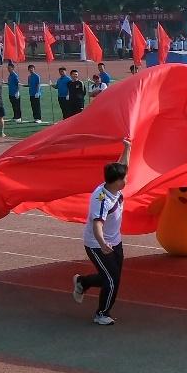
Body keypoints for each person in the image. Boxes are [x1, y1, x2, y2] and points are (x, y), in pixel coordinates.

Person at [73, 139, 132, 325]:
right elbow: (97, 224)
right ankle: (101, 314)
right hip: (97, 245)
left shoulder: (112, 186)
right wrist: (102, 243)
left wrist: (127, 148)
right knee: (112, 280)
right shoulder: (102, 199)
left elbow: (123, 166)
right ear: (117, 182)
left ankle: (83, 282)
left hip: (115, 241)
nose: (126, 179)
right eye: (124, 178)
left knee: (112, 277)